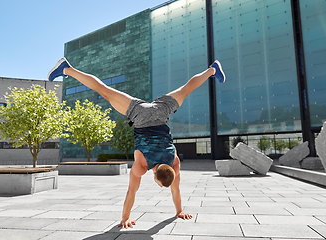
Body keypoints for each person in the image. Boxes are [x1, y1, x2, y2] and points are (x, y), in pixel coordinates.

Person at [48, 57, 225, 228]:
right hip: (139, 115)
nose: (157, 184)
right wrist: (125, 218)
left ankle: (212, 69)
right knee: (104, 91)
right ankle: (66, 69)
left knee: (186, 89)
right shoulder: (141, 166)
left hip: (160, 111)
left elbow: (175, 190)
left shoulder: (175, 164)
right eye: (158, 183)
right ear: (155, 176)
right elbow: (131, 191)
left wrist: (179, 211)